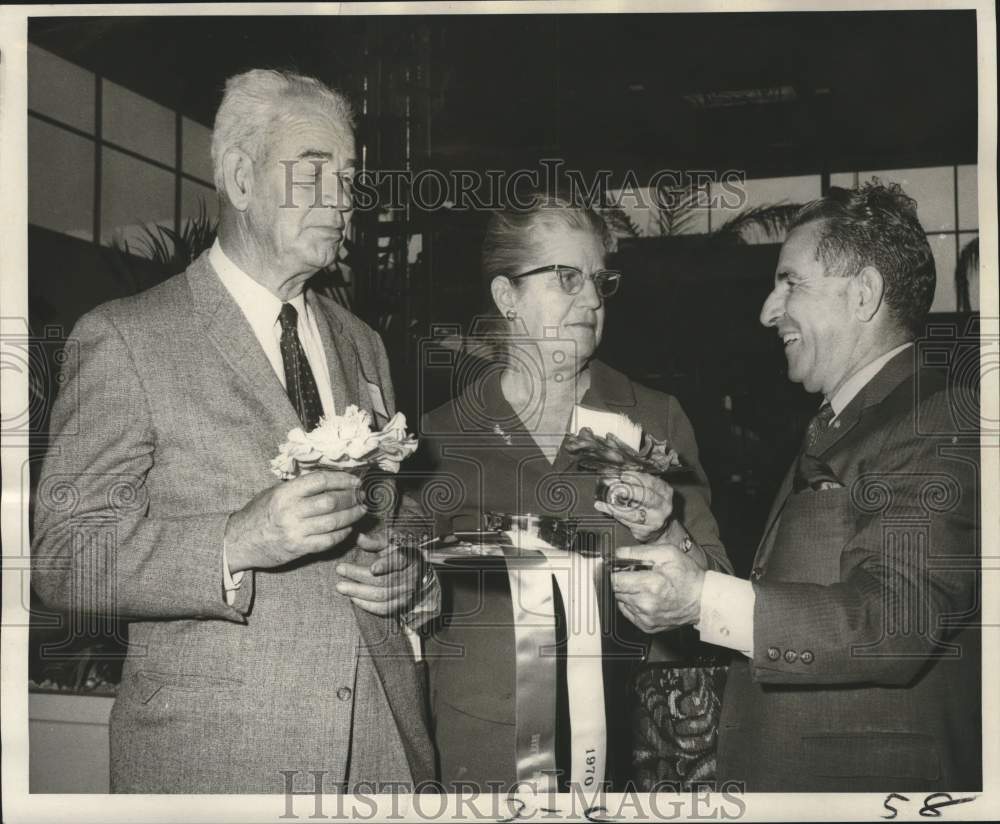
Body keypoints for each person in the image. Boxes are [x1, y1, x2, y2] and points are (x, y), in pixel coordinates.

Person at [31, 69, 436, 793]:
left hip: (379, 748)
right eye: (313, 174)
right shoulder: (127, 337)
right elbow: (65, 560)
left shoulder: (363, 345)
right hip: (218, 758)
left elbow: (387, 520)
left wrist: (408, 573)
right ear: (243, 179)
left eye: (347, 178)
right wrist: (235, 542)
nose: (341, 198)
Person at [612, 181, 981, 791]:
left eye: (791, 282)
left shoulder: (936, 416)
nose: (767, 309)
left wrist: (700, 601)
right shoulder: (844, 421)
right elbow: (780, 593)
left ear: (863, 294)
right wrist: (667, 533)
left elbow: (896, 621)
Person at [417, 194, 733, 791]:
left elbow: (717, 589)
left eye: (598, 280)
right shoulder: (436, 438)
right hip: (481, 764)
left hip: (637, 758)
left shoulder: (656, 419)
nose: (590, 299)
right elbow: (413, 606)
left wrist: (667, 529)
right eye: (566, 277)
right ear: (506, 297)